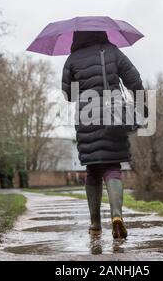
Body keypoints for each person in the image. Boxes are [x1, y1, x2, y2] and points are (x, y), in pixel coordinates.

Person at [62, 31, 145, 239]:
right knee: (112, 166)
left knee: (93, 169)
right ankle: (117, 216)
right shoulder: (113, 52)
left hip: (86, 117)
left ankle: (95, 224)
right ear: (103, 32)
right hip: (114, 116)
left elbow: (68, 95)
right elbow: (134, 80)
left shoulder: (72, 59)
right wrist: (142, 107)